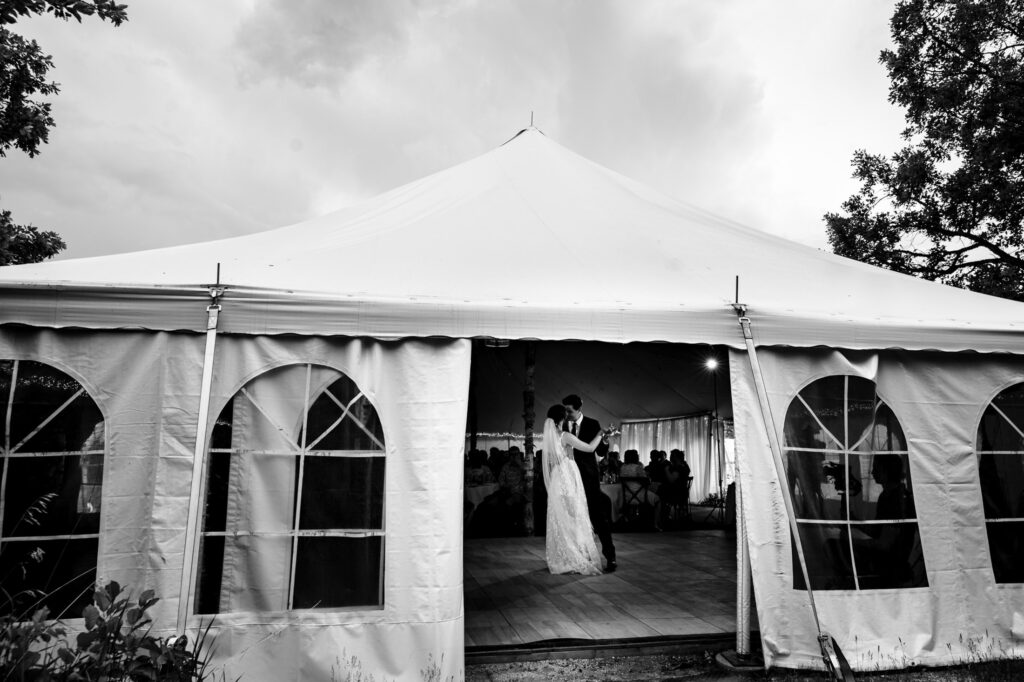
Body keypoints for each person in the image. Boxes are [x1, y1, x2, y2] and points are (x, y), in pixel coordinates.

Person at [541, 404, 604, 575]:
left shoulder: (548, 437)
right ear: (562, 418)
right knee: (575, 515)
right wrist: (600, 435)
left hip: (556, 478)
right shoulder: (564, 436)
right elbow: (590, 448)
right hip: (567, 476)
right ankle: (574, 555)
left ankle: (562, 556)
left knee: (561, 517)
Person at [563, 393, 617, 571]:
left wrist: (606, 440)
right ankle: (578, 558)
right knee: (573, 518)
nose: (567, 413)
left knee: (598, 517)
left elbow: (600, 452)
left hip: (588, 477)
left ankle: (610, 557)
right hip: (570, 478)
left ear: (579, 409)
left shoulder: (592, 424)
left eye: (570, 410)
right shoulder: (563, 424)